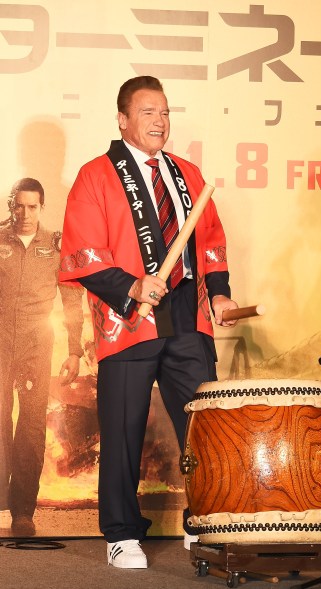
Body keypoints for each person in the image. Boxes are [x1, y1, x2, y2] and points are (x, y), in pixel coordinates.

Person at [59, 75, 238, 569]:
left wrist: (219, 294)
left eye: (164, 112)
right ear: (123, 120)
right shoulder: (96, 175)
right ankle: (121, 532)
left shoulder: (188, 174)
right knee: (122, 427)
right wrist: (133, 287)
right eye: (147, 113)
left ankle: (206, 522)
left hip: (186, 316)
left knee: (204, 428)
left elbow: (212, 239)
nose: (159, 121)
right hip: (131, 319)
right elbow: (83, 250)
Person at [0, 177, 84, 536]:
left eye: (32, 206)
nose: (25, 213)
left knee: (31, 426)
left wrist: (75, 349)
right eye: (19, 205)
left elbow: (71, 299)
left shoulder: (55, 243)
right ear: (11, 206)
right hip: (1, 338)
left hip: (38, 340)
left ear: (42, 207)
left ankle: (23, 512)